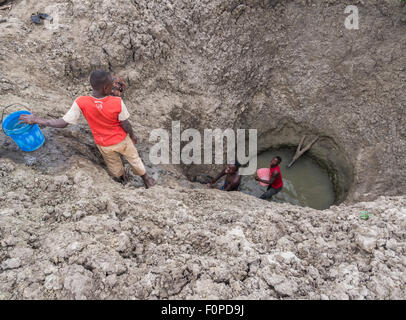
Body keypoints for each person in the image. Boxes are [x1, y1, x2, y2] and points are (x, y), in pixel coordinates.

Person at [18, 70, 155, 188]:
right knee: (134, 159)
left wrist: (36, 120)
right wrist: (132, 135)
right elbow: (125, 124)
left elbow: (63, 123)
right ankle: (146, 179)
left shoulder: (81, 102)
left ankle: (121, 179)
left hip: (104, 144)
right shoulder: (117, 102)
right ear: (107, 88)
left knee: (113, 163)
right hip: (122, 141)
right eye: (111, 85)